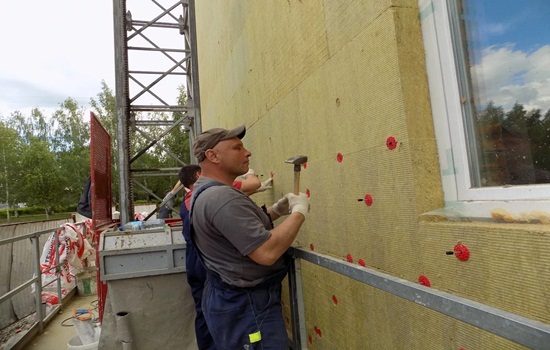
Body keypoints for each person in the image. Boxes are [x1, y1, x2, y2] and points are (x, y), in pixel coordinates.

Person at [190, 125, 309, 349]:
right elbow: (266, 252)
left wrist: (275, 211)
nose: (247, 153)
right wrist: (299, 213)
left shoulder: (208, 191)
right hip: (247, 307)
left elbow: (234, 232)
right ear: (212, 156)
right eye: (237, 148)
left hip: (233, 300)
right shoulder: (220, 198)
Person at [179, 164, 272, 348]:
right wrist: (249, 173)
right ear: (199, 175)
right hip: (209, 257)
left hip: (195, 256)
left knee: (205, 310)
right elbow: (251, 184)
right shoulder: (214, 192)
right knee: (232, 307)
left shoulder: (189, 199)